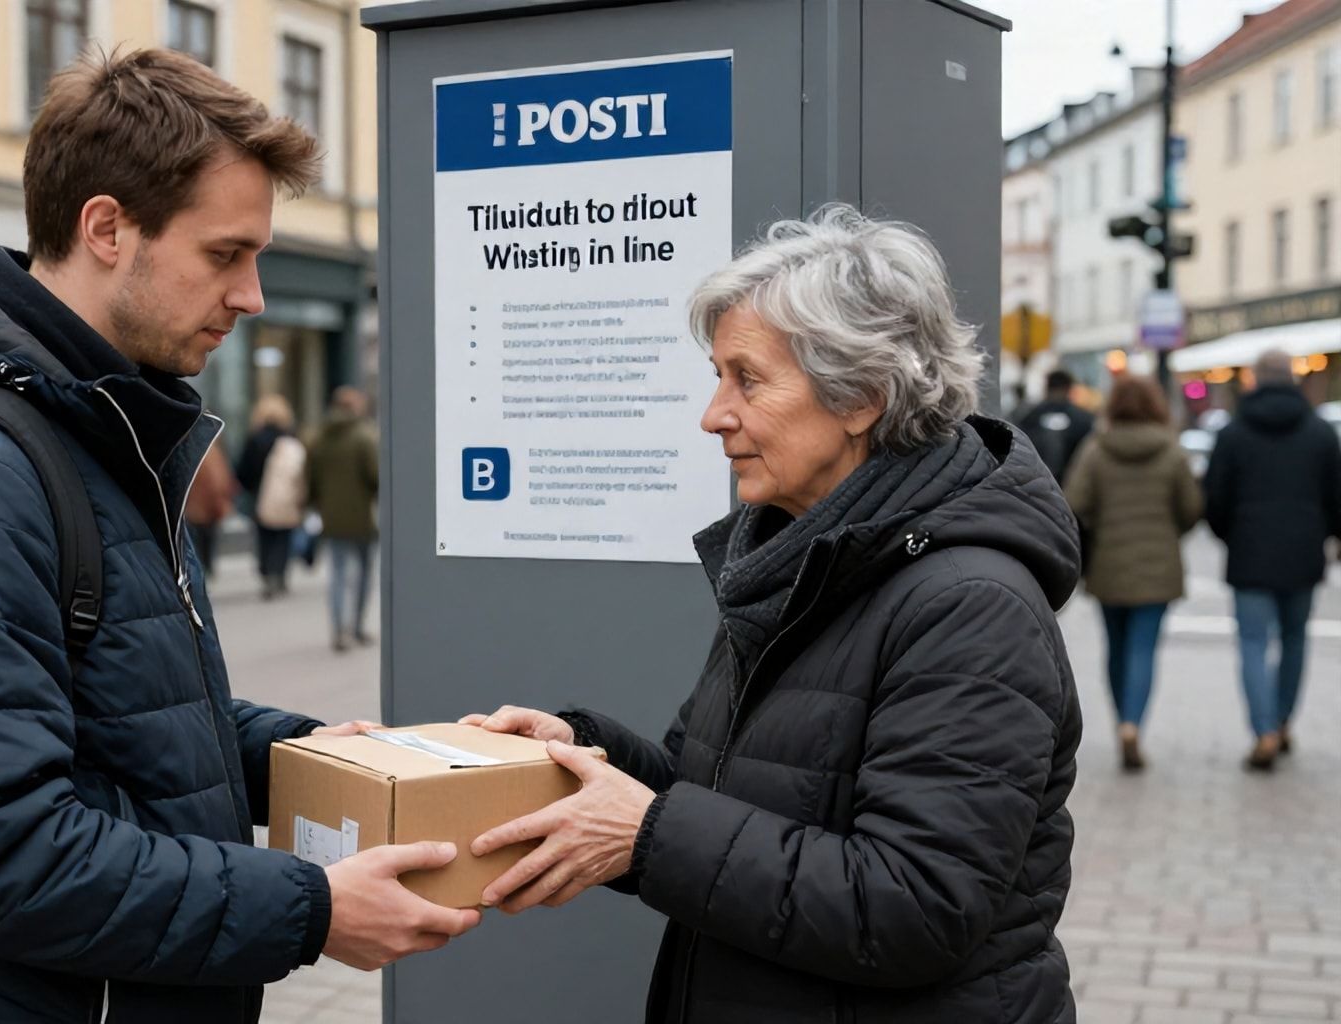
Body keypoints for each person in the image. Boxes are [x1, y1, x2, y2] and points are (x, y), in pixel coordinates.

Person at [0, 49, 476, 1023]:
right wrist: (311, 907)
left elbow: (107, 711)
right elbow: (0, 849)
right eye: (225, 254)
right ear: (106, 229)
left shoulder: (91, 428)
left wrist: (312, 753)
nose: (252, 295)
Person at [462, 206, 1081, 1023]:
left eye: (746, 378)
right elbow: (707, 789)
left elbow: (918, 908)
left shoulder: (969, 606)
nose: (714, 414)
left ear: (859, 395)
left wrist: (646, 833)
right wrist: (585, 757)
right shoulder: (802, 556)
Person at [1204, 348, 1341, 770]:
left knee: (1252, 642)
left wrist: (1232, 535)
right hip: (1303, 552)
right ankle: (1281, 722)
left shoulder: (1233, 433)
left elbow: (1215, 499)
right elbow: (1336, 497)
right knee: (1295, 640)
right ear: (1293, 378)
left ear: (1255, 380)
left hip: (1249, 552)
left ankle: (1262, 729)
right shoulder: (1320, 433)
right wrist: (1327, 535)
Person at [1063, 374, 1202, 771]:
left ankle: (1120, 720)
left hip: (1110, 566)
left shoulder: (1096, 450)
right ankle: (1132, 725)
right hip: (1158, 569)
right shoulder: (1172, 452)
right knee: (1143, 649)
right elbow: (1191, 508)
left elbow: (1074, 501)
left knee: (1117, 647)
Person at [306, 386, 378, 651]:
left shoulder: (320, 437)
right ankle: (358, 626)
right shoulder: (364, 436)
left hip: (331, 517)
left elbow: (310, 478)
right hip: (362, 517)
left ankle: (338, 629)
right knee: (364, 573)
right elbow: (376, 476)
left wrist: (315, 505)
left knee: (336, 574)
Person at [235, 394, 303, 598]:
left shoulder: (255, 439)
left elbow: (243, 471)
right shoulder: (290, 438)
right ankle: (280, 573)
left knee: (264, 536)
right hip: (286, 497)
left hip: (260, 496)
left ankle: (267, 574)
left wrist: (250, 487)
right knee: (283, 535)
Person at [1017, 368, 1095, 483]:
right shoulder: (1084, 419)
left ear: (1047, 387)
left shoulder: (1028, 418)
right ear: (1069, 388)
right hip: (1072, 484)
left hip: (1036, 487)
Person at [185, 441, 239, 572]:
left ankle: (202, 567)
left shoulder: (191, 453)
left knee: (197, 540)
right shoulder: (211, 453)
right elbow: (219, 481)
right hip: (205, 505)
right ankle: (206, 567)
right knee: (205, 539)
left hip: (194, 506)